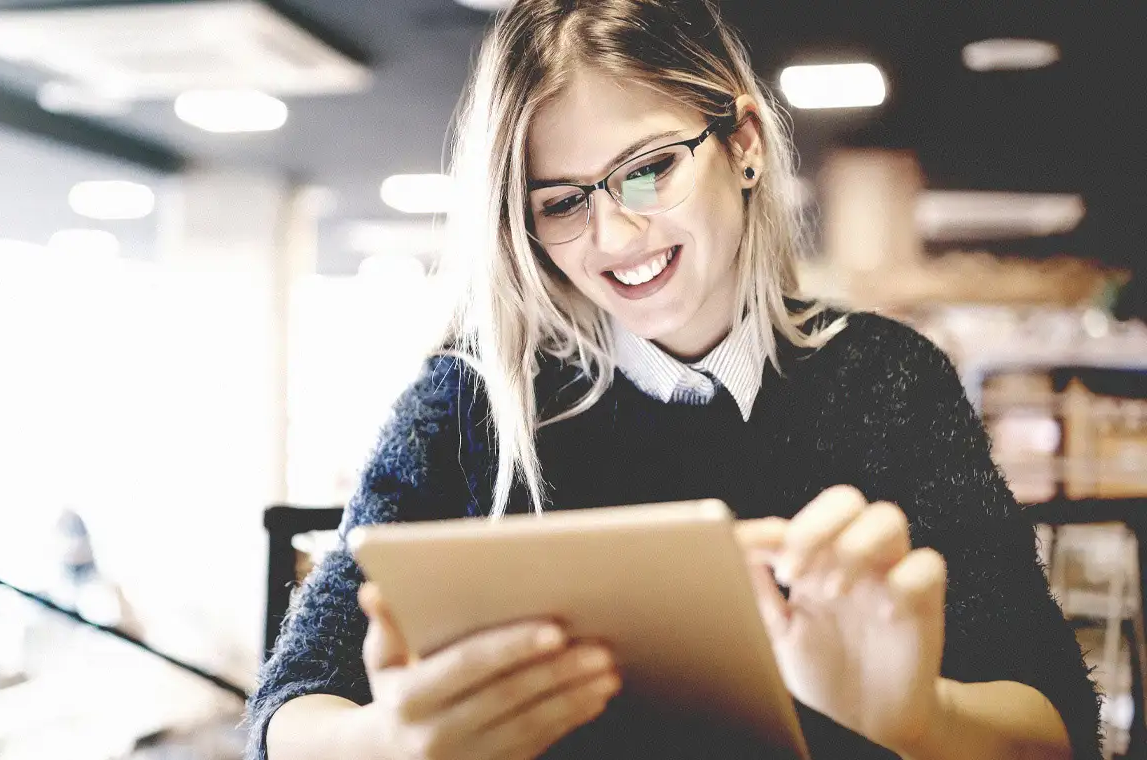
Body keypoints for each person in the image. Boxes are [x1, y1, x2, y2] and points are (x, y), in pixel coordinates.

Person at [246, 1, 1101, 758]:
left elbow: (1051, 717)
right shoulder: (468, 401)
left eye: (649, 168)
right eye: (562, 202)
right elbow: (287, 709)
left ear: (744, 145)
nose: (616, 237)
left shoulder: (888, 379)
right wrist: (383, 743)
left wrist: (921, 720)